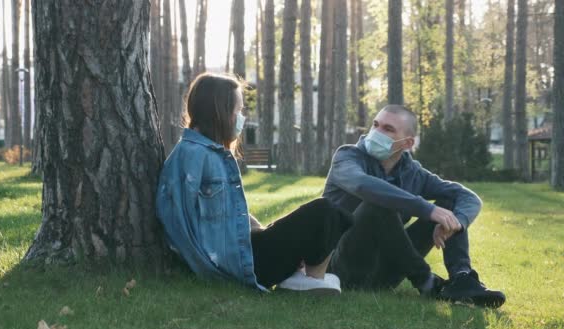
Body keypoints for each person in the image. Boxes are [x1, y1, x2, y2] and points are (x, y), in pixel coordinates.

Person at [156, 73, 353, 293]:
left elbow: (229, 211)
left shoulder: (212, 152)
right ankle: (309, 281)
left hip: (246, 251)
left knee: (336, 213)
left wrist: (262, 230)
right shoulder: (191, 155)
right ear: (219, 112)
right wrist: (209, 274)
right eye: (238, 111)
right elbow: (179, 226)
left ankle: (307, 279)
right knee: (324, 211)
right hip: (239, 264)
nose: (242, 118)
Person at [322, 104, 506, 308]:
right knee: (378, 205)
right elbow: (361, 184)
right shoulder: (347, 156)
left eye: (388, 129)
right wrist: (428, 210)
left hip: (387, 272)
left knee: (451, 204)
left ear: (407, 143)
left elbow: (468, 197)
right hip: (341, 269)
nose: (376, 132)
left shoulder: (412, 172)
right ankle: (426, 281)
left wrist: (455, 222)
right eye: (376, 125)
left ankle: (461, 280)